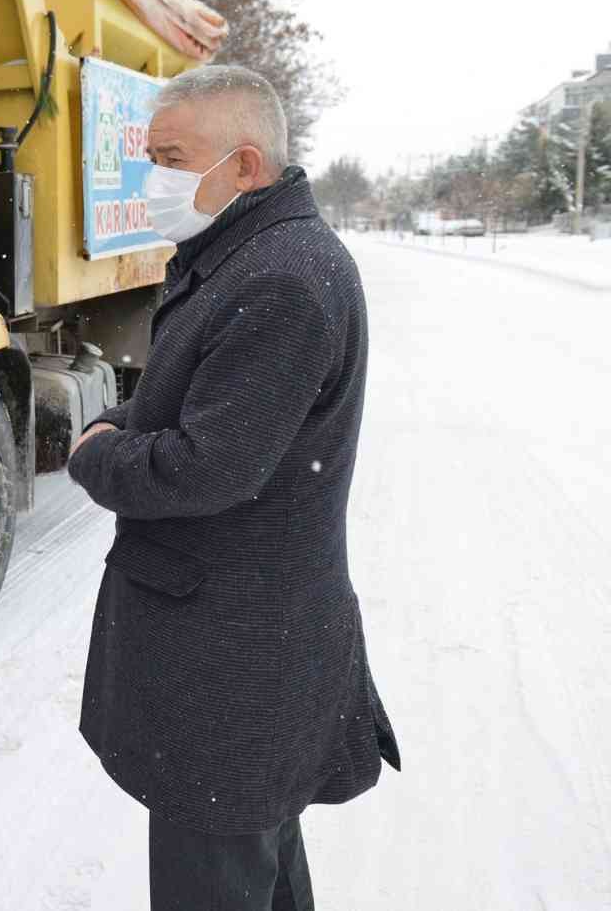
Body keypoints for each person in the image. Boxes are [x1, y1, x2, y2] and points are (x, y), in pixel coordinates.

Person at [66, 65, 400, 911]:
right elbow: (192, 390)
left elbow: (205, 467)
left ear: (245, 166)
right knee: (258, 850)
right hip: (237, 657)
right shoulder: (247, 256)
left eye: (171, 157)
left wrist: (96, 455)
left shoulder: (279, 278)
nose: (154, 178)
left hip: (232, 666)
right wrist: (130, 415)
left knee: (215, 876)